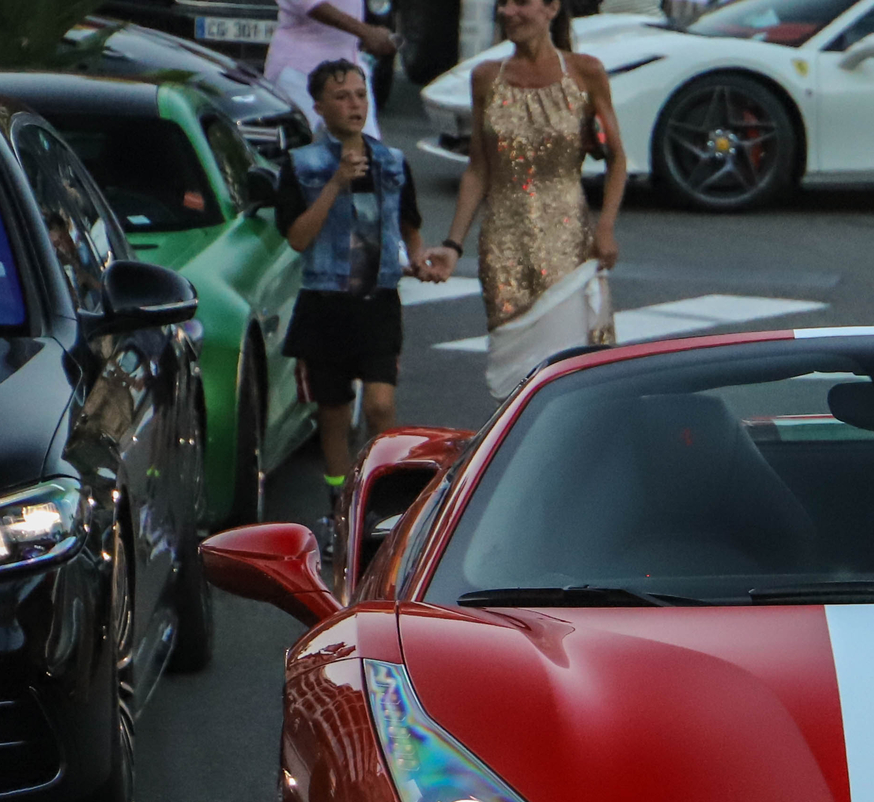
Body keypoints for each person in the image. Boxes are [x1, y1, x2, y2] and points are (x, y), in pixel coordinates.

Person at [423, 0, 628, 396]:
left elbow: (618, 157)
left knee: (575, 378)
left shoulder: (586, 72)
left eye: (520, 2)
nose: (507, 11)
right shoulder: (485, 77)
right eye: (503, 3)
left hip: (571, 244)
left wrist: (605, 228)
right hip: (505, 248)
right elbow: (479, 169)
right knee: (515, 380)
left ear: (551, 8)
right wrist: (453, 244)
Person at [277, 61, 439, 499]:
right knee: (333, 417)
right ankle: (341, 501)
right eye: (342, 96)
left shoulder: (391, 162)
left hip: (378, 300)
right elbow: (297, 237)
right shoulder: (301, 165)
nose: (354, 104)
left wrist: (421, 259)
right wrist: (335, 183)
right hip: (325, 303)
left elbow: (409, 226)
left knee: (380, 405)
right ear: (319, 107)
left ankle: (378, 494)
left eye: (360, 94)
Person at [265, 0, 394, 137]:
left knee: (368, 149)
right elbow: (310, 5)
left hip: (349, 69)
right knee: (307, 147)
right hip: (302, 74)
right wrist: (366, 32)